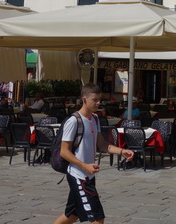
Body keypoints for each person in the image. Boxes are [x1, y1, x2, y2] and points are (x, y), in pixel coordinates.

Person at [54, 82, 133, 224]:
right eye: (94, 100)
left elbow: (102, 145)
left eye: (99, 100)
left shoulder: (95, 119)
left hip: (88, 175)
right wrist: (84, 166)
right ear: (84, 99)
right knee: (97, 218)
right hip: (79, 176)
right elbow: (64, 152)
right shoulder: (74, 121)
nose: (98, 103)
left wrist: (122, 151)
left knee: (72, 215)